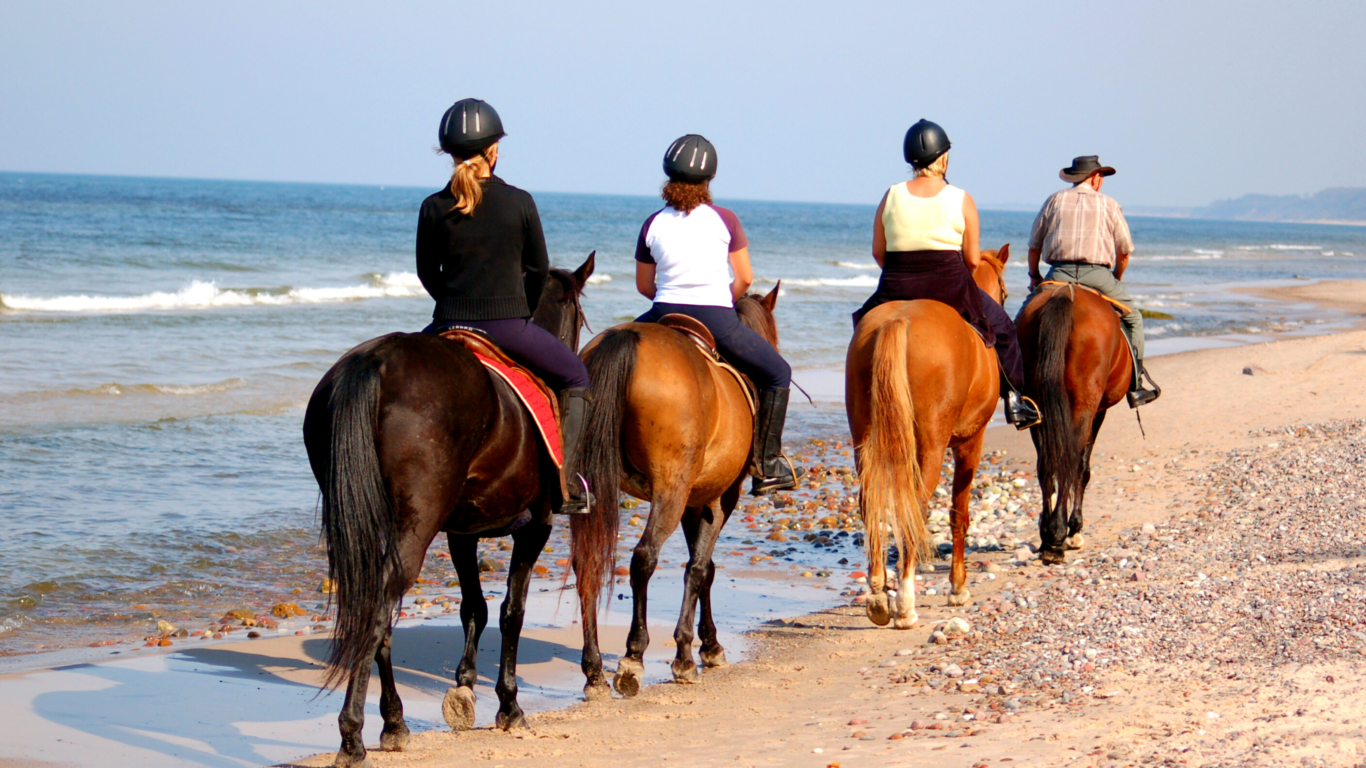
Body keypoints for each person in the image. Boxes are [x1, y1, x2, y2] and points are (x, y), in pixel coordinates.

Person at [416, 98, 592, 513]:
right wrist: (522, 315)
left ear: (451, 154)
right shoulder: (520, 202)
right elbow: (538, 269)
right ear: (493, 150)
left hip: (446, 326)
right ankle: (564, 486)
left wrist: (453, 307)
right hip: (507, 326)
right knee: (576, 375)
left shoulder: (433, 207)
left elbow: (426, 272)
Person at [633, 134, 805, 495]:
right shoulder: (724, 219)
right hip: (716, 316)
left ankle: (583, 462)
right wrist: (720, 299)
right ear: (708, 181)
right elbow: (744, 278)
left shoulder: (652, 223)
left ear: (669, 179)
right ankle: (767, 465)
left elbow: (644, 287)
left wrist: (668, 298)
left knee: (605, 359)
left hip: (661, 311)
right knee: (778, 372)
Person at [853, 119, 1040, 428]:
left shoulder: (891, 195)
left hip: (896, 284)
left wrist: (904, 273)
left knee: (862, 328)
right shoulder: (962, 199)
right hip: (949, 285)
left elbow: (878, 251)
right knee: (1005, 329)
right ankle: (1016, 400)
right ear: (943, 158)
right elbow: (971, 259)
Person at [1023, 156, 1160, 407]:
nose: (1102, 182)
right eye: (1102, 177)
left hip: (1058, 273)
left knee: (1022, 320)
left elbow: (1033, 246)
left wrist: (1034, 276)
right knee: (1134, 318)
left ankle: (1013, 387)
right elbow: (1125, 251)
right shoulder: (1109, 204)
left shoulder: (1054, 199)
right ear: (1095, 178)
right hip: (1097, 274)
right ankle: (1137, 384)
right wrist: (1115, 278)